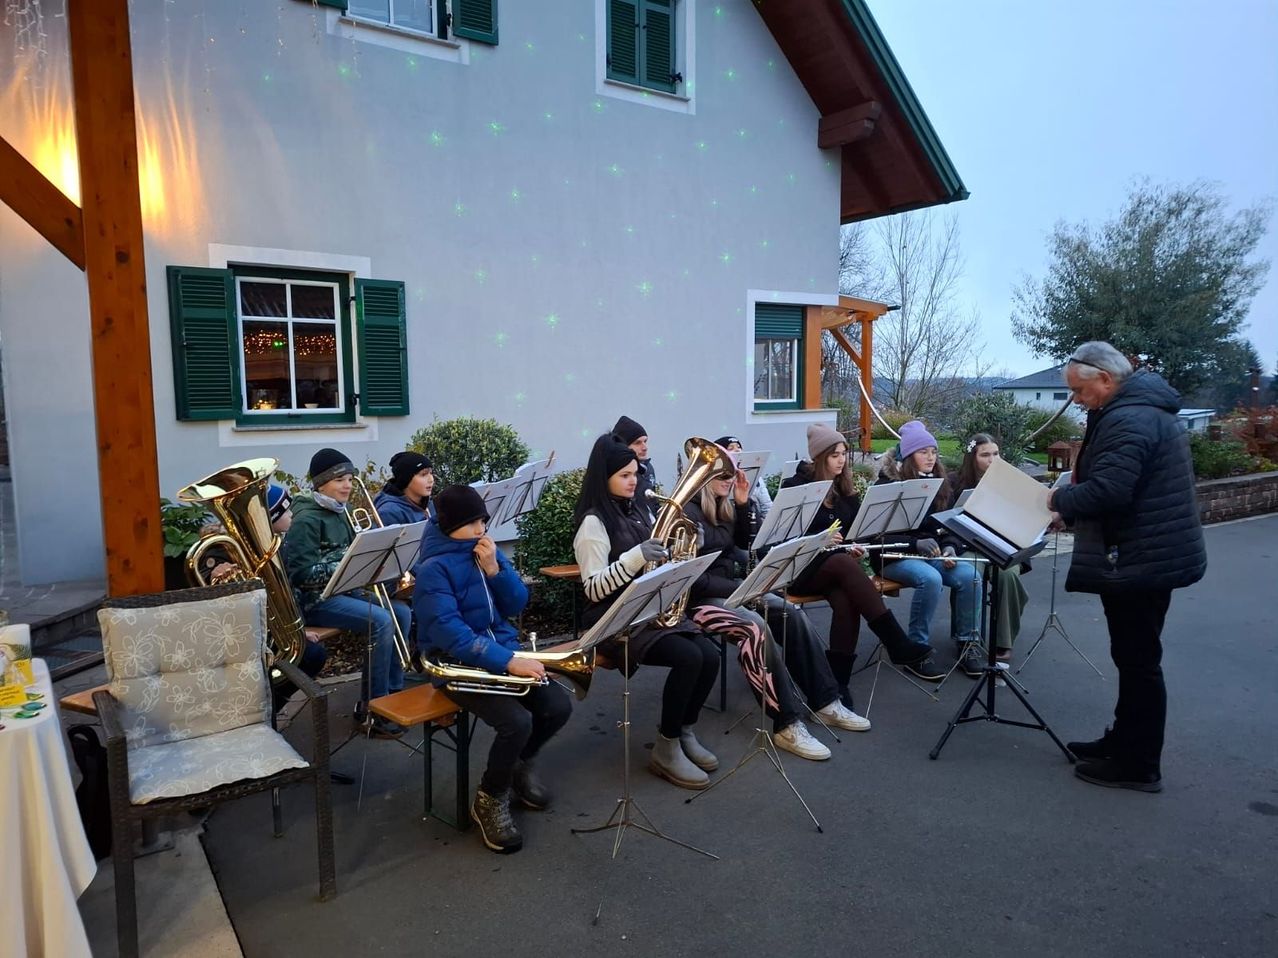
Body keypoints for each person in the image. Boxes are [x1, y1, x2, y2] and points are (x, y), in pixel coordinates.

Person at [1048, 342, 1206, 793]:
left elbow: (1111, 491)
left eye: (1079, 391)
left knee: (1138, 661)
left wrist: (1058, 500)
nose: (1077, 401)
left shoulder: (1130, 417)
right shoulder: (1140, 407)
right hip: (1149, 551)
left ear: (1105, 378)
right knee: (1132, 656)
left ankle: (1138, 765)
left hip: (1143, 558)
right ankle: (1124, 741)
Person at [575, 435, 767, 786]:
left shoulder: (639, 510)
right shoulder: (592, 524)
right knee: (689, 658)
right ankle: (665, 747)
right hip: (612, 621)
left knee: (709, 655)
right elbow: (593, 588)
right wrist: (636, 558)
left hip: (645, 611)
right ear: (604, 479)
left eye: (635, 473)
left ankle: (682, 732)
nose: (634, 481)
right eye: (624, 476)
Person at [414, 485, 572, 853]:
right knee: (516, 722)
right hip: (453, 663)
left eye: (483, 520)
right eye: (472, 523)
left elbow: (517, 602)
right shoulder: (433, 569)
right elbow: (450, 634)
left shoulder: (487, 552)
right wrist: (508, 661)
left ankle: (518, 765)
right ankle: (490, 797)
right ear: (450, 526)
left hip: (500, 651)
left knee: (557, 707)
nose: (481, 529)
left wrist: (495, 570)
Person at [684, 456, 871, 736]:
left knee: (790, 614)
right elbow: (691, 579)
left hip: (730, 588)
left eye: (730, 474)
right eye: (720, 475)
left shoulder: (724, 507)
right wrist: (740, 588)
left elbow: (746, 546)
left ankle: (826, 701)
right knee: (755, 627)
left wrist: (744, 502)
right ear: (702, 478)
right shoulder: (689, 514)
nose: (727, 479)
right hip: (700, 600)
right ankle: (787, 722)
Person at [781, 424, 941, 686]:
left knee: (846, 600)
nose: (842, 460)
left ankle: (837, 684)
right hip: (801, 568)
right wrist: (820, 540)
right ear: (820, 457)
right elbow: (785, 536)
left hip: (836, 568)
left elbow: (856, 533)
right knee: (842, 565)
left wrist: (856, 547)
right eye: (835, 455)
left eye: (844, 453)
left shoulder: (845, 488)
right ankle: (896, 641)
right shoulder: (796, 486)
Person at [284, 447, 412, 738]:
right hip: (315, 601)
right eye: (340, 479)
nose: (348, 485)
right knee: (379, 620)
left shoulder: (338, 511)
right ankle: (371, 708)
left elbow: (350, 553)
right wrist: (345, 562)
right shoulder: (306, 519)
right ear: (321, 483)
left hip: (343, 591)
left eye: (350, 479)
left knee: (402, 612)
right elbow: (301, 575)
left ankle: (392, 696)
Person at [874, 421, 984, 677]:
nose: (931, 457)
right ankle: (917, 650)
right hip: (894, 555)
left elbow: (953, 526)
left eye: (933, 452)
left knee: (971, 577)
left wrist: (949, 547)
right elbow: (875, 536)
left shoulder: (941, 483)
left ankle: (968, 643)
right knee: (930, 579)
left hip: (931, 554)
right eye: (923, 452)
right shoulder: (888, 486)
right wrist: (915, 543)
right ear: (908, 456)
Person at [208, 483, 328, 714]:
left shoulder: (274, 545)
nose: (292, 514)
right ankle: (262, 713)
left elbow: (283, 597)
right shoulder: (225, 552)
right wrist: (215, 575)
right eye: (286, 510)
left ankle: (271, 709)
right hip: (240, 636)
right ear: (269, 516)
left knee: (312, 654)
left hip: (269, 634)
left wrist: (297, 632)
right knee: (301, 659)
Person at [948, 434, 1030, 663]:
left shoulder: (1008, 483)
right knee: (971, 576)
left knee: (1009, 576)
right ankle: (967, 639)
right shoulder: (955, 482)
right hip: (968, 545)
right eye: (985, 455)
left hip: (1000, 546)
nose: (992, 459)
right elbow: (946, 522)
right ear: (972, 457)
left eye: (995, 453)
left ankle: (1004, 640)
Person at [714, 435, 772, 519]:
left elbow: (767, 507)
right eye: (730, 448)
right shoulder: (717, 481)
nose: (737, 450)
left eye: (739, 447)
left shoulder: (756, 477)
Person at [373, 451, 435, 526]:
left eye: (431, 473)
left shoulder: (431, 506)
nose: (431, 479)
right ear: (406, 479)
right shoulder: (389, 513)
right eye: (423, 474)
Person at [611, 415, 658, 506]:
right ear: (623, 446)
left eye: (645, 441)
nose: (645, 448)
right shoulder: (613, 470)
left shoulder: (648, 468)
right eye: (638, 443)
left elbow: (653, 503)